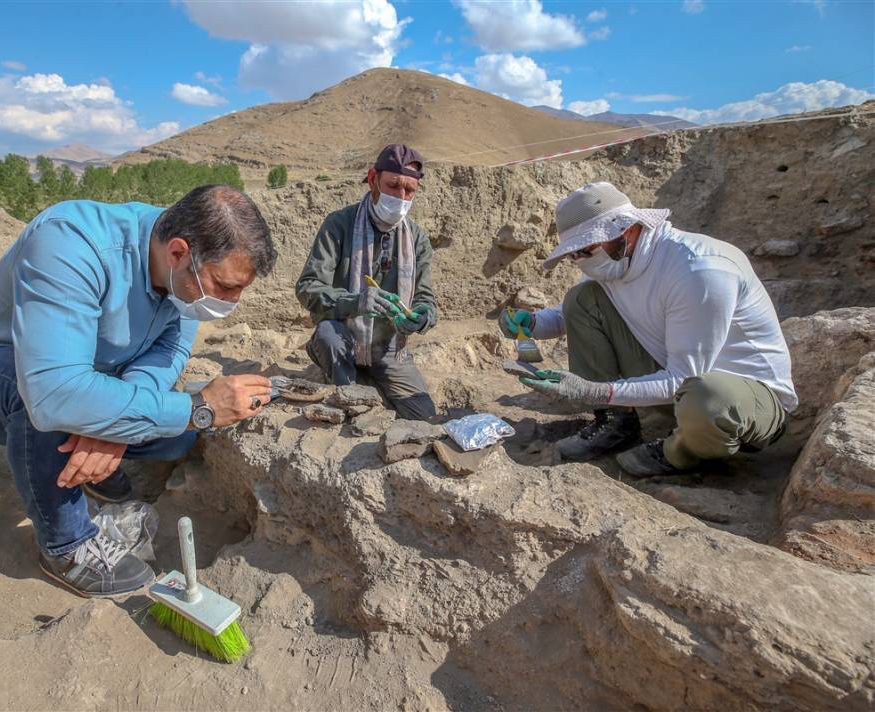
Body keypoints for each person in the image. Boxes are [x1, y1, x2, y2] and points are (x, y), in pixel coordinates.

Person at [0, 185, 277, 597]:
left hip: (88, 380)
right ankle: (66, 545)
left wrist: (112, 428)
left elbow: (167, 351)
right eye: (224, 286)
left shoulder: (181, 274)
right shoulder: (71, 242)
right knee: (50, 406)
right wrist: (197, 408)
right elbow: (53, 391)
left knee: (175, 437)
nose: (231, 302)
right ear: (179, 253)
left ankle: (93, 461)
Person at [501, 182, 796, 477]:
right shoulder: (616, 261)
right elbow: (571, 315)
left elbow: (684, 377)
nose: (579, 261)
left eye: (585, 249)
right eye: (572, 254)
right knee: (583, 298)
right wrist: (533, 324)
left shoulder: (699, 271)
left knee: (708, 396)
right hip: (679, 391)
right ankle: (616, 424)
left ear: (626, 229)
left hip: (742, 409)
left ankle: (681, 452)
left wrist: (595, 391)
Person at [295, 144, 439, 421]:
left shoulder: (417, 239)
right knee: (329, 340)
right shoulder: (339, 224)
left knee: (424, 416)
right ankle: (342, 380)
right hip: (343, 336)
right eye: (393, 185)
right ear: (373, 179)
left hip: (388, 347)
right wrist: (356, 302)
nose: (401, 196)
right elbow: (308, 286)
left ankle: (367, 374)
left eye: (409, 191)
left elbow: (425, 298)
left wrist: (422, 317)